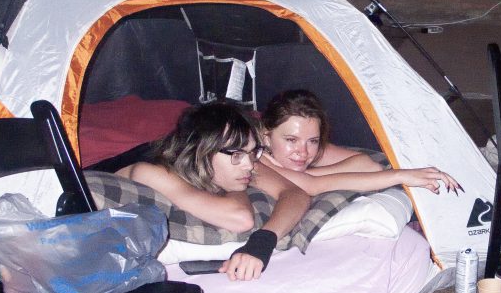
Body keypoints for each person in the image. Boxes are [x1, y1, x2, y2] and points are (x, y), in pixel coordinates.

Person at [116, 102, 310, 281]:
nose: (250, 165)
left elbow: (295, 194)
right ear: (202, 151)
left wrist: (264, 240)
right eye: (237, 154)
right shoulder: (151, 172)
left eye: (252, 152)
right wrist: (235, 188)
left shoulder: (237, 160)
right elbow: (240, 218)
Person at [258, 89, 461, 195]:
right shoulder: (252, 156)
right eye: (291, 140)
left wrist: (305, 172)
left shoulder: (302, 149)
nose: (302, 152)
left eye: (312, 141)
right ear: (266, 136)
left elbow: (368, 165)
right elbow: (312, 186)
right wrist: (399, 175)